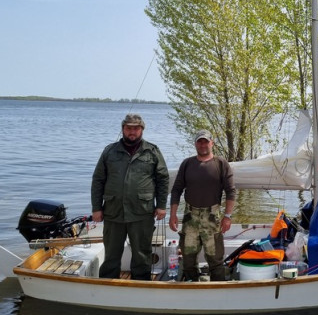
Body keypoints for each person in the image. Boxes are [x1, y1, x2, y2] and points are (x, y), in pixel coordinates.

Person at [91, 114, 169, 280]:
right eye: (128, 128)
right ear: (123, 129)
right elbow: (98, 180)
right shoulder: (110, 151)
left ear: (142, 130)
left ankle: (141, 285)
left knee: (142, 253)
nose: (132, 132)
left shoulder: (152, 151)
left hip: (142, 211)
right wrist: (96, 208)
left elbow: (163, 179)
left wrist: (161, 205)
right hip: (113, 211)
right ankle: (106, 284)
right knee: (111, 253)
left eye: (136, 128)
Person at [168, 129, 236, 281]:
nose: (203, 144)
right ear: (195, 144)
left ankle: (218, 288)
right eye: (200, 141)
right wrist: (173, 215)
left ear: (212, 143)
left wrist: (227, 216)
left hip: (212, 217)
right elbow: (176, 190)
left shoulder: (221, 164)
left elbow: (231, 191)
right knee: (188, 257)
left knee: (215, 258)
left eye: (206, 141)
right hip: (190, 217)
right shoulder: (187, 163)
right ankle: (191, 284)